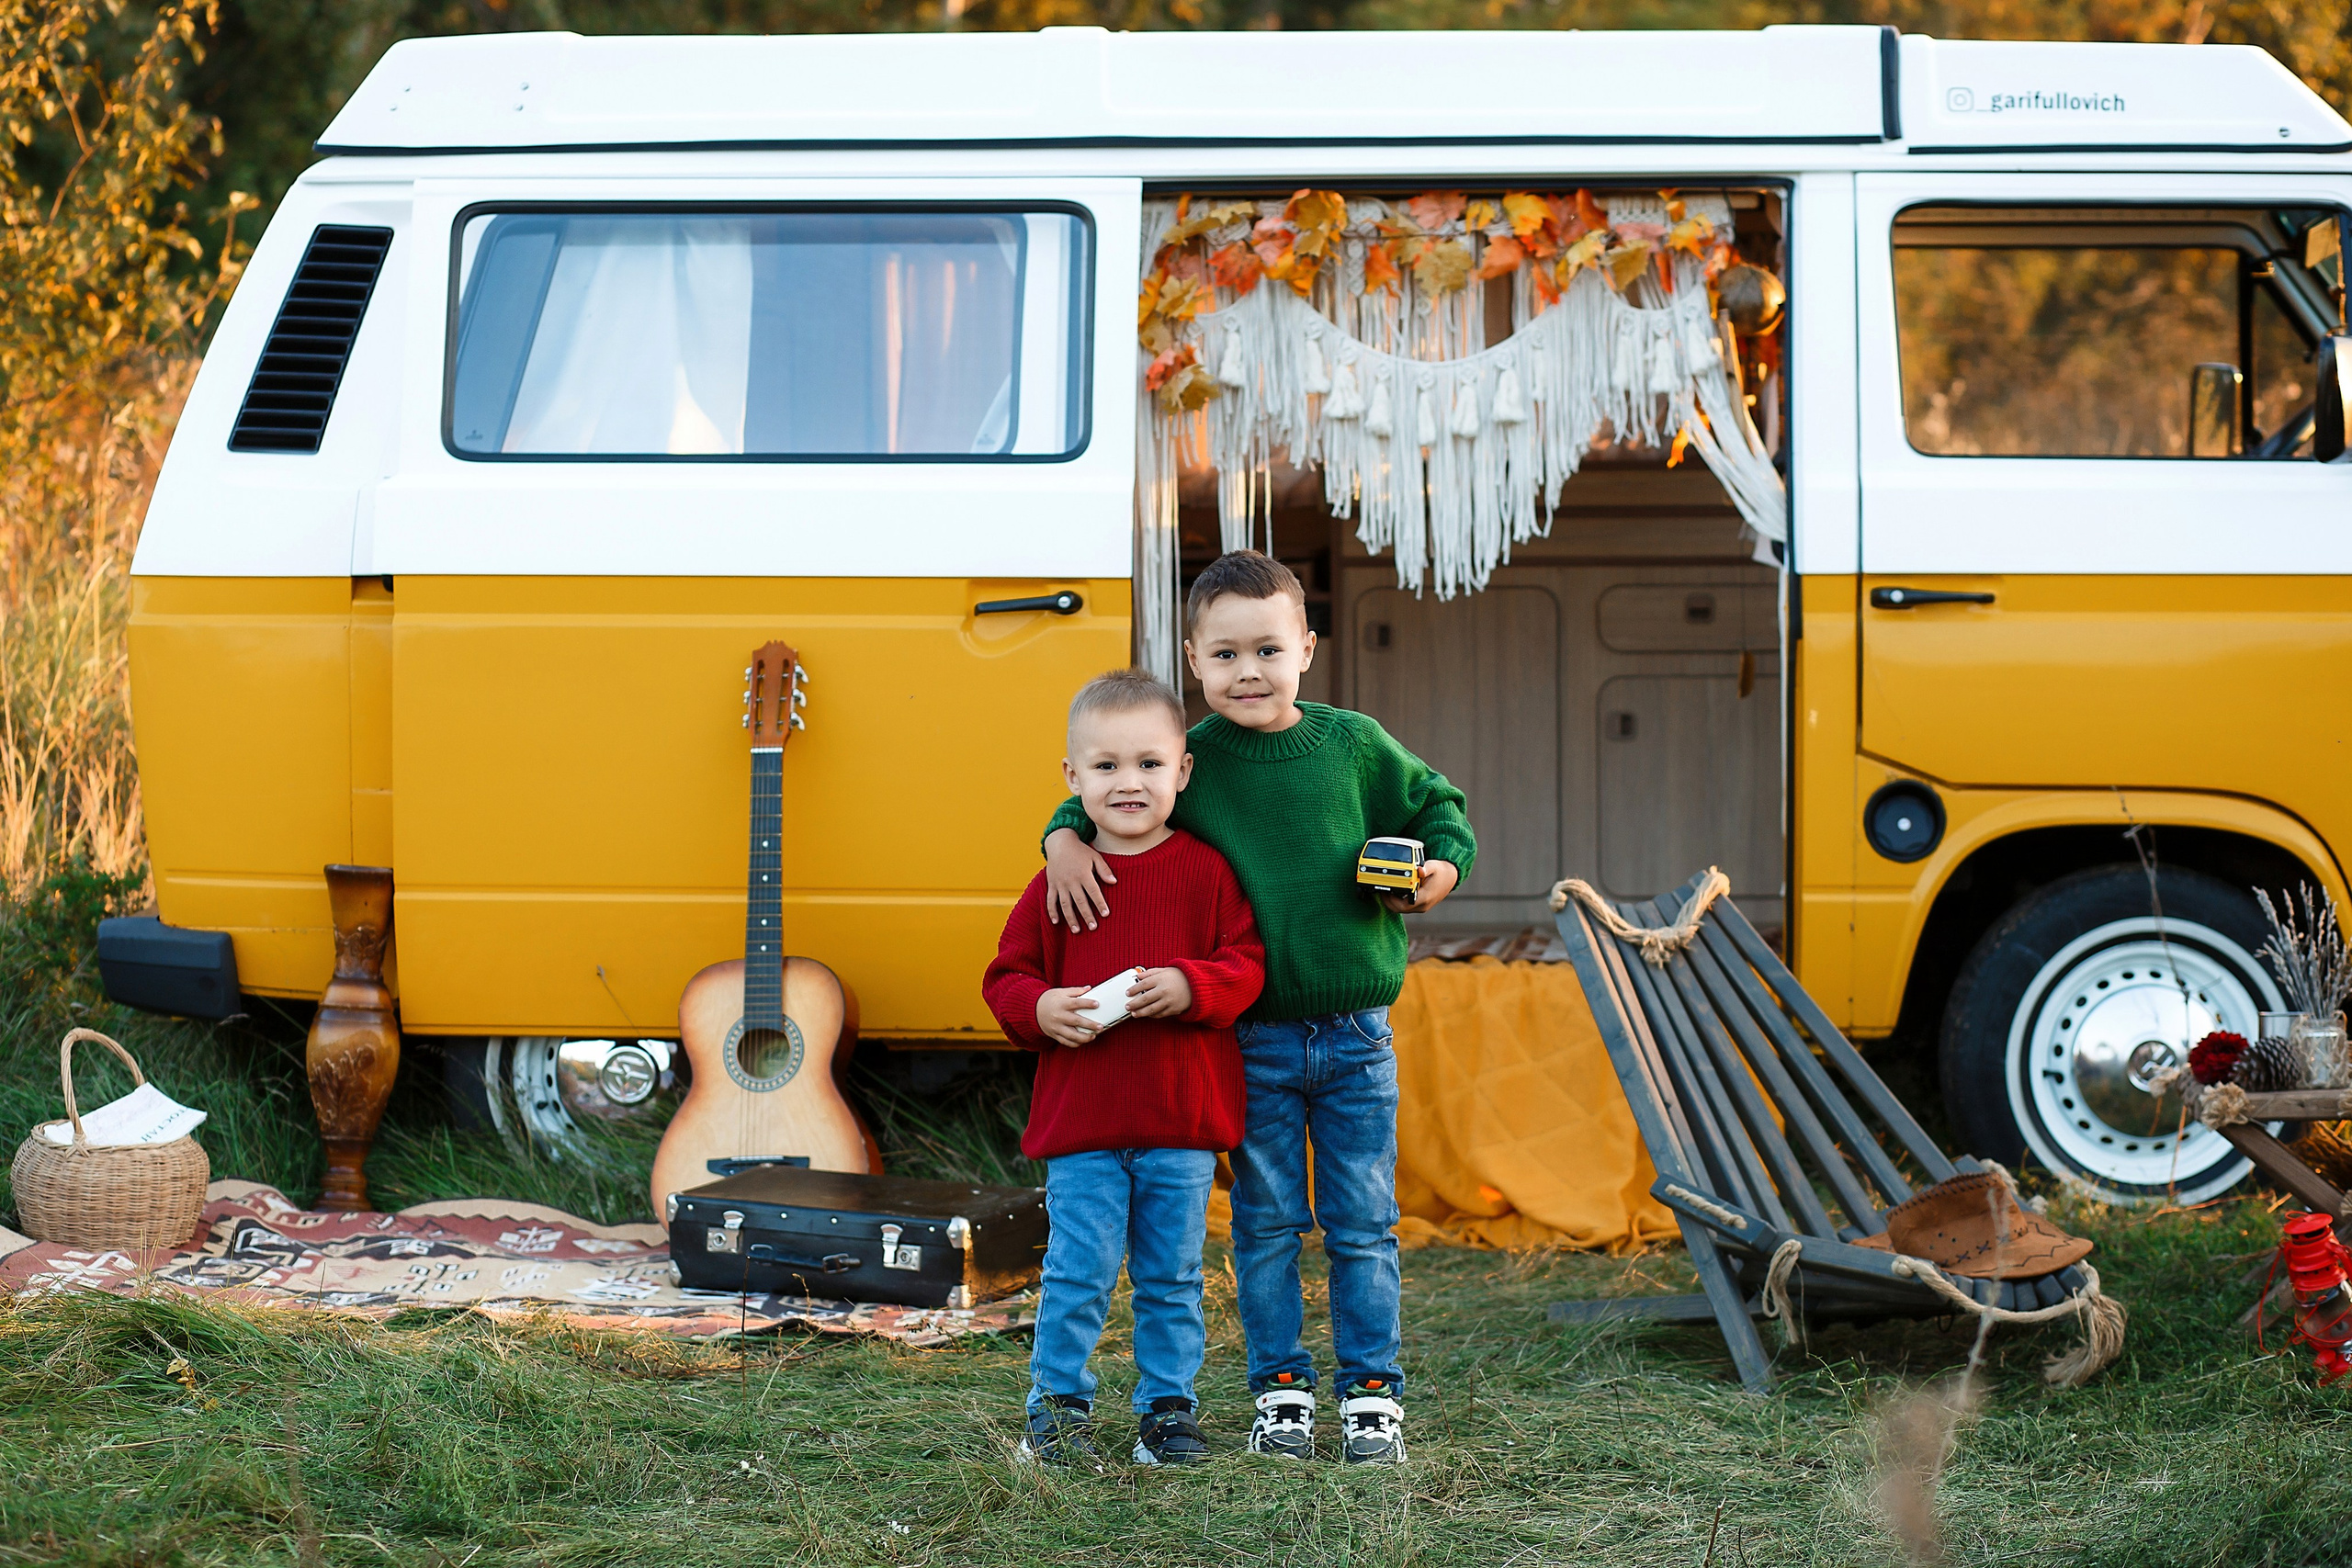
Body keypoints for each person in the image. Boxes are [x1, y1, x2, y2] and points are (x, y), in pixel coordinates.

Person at [1040, 550, 1476, 1465]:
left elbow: (1442, 806)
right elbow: (1113, 786)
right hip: (1249, 1038)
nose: (1249, 672)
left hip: (1356, 1036)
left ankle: (1369, 1395)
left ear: (1306, 650)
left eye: (1268, 650)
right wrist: (1060, 839)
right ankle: (1279, 1390)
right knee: (1267, 1223)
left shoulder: (1354, 744)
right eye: (1227, 655)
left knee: (1361, 1221)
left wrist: (1437, 870)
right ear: (1194, 659)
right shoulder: (1195, 763)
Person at [984, 666, 1266, 1470]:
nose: (1129, 782)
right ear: (1073, 779)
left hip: (1179, 1123)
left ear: (1182, 770)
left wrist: (1192, 984)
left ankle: (1167, 1410)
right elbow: (1006, 978)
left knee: (1173, 1277)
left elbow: (1246, 965)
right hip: (1085, 1128)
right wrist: (1039, 1008)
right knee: (1077, 1273)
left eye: (1148, 763)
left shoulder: (1206, 873)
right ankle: (1058, 1407)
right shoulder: (1058, 880)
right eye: (1105, 767)